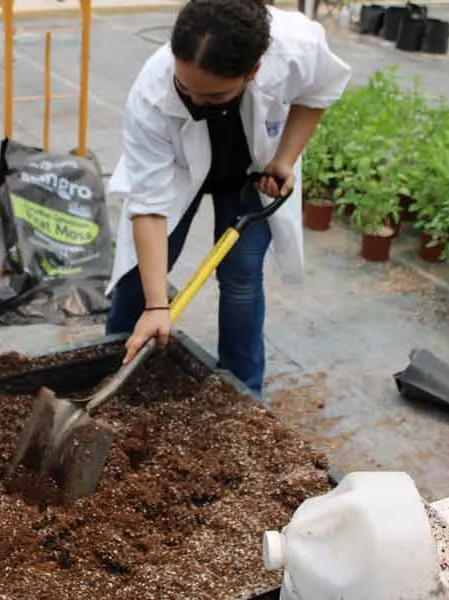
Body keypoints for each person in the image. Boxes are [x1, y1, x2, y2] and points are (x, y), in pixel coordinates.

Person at [103, 0, 352, 397]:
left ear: (252, 72)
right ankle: (111, 371)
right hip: (177, 170)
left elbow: (319, 91)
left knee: (240, 276)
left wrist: (285, 158)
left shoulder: (295, 46)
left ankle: (242, 392)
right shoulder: (150, 91)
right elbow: (148, 205)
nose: (197, 102)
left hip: (251, 169)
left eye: (215, 96)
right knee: (139, 274)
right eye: (185, 90)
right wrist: (156, 306)